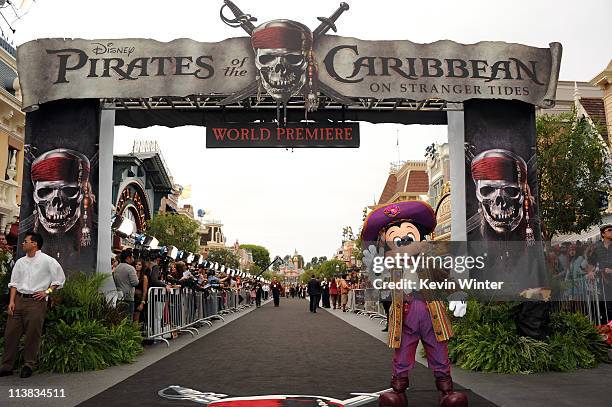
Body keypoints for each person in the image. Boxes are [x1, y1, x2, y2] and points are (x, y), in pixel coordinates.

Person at [361, 201, 467, 407]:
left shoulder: (429, 261)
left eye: (409, 236)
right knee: (402, 357)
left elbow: (444, 279)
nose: (404, 242)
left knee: (439, 353)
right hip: (405, 317)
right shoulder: (390, 266)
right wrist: (374, 270)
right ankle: (398, 392)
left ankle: (447, 393)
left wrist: (457, 294)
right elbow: (379, 284)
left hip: (431, 314)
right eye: (397, 239)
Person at [0, 231, 65, 378]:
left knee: (32, 334)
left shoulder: (48, 261)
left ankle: (28, 365)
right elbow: (14, 283)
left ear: (34, 243)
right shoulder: (20, 262)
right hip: (19, 300)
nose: (23, 243)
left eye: (25, 241)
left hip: (37, 302)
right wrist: (11, 301)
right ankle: (6, 366)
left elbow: (59, 280)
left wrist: (46, 292)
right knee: (10, 334)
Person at [588, 224, 612, 324]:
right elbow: (591, 263)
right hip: (604, 283)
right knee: (607, 307)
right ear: (603, 234)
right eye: (609, 230)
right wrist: (590, 272)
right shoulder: (597, 248)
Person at [113, 249, 139, 316]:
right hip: (128, 298)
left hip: (119, 296)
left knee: (120, 318)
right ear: (128, 258)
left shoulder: (117, 268)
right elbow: (135, 283)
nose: (133, 258)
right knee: (128, 319)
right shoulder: (130, 268)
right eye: (132, 257)